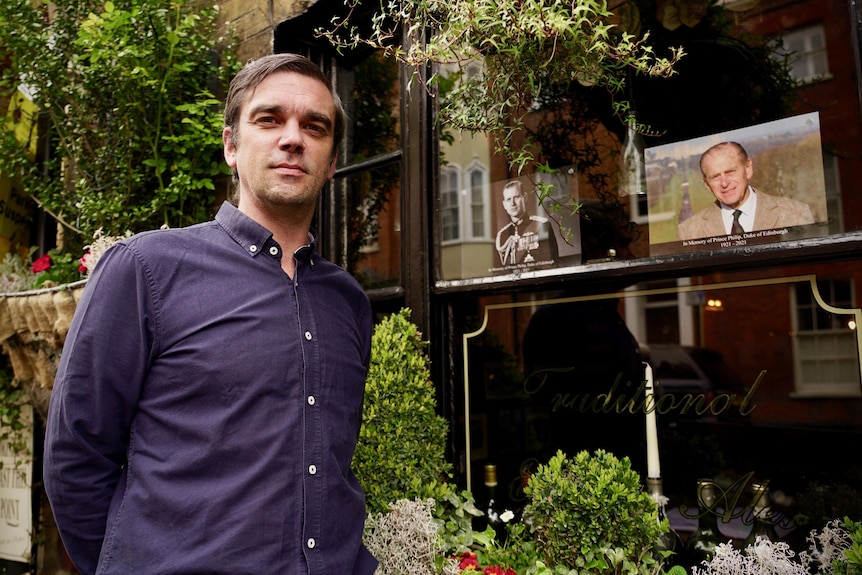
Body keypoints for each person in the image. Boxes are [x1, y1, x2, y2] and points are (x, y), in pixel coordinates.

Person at [43, 53, 378, 574]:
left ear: (331, 161)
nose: (293, 138)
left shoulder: (348, 302)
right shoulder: (144, 270)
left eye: (315, 127)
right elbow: (75, 458)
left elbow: (334, 464)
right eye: (269, 119)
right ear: (231, 146)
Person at [677, 141, 815, 241]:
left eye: (730, 172)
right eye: (715, 177)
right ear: (707, 184)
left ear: (748, 169)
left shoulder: (796, 213)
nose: (724, 183)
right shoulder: (689, 231)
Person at [495, 179, 557, 267]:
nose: (512, 203)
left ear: (525, 198)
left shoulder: (541, 225)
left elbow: (551, 263)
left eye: (516, 197)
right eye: (508, 199)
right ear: (504, 205)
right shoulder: (502, 235)